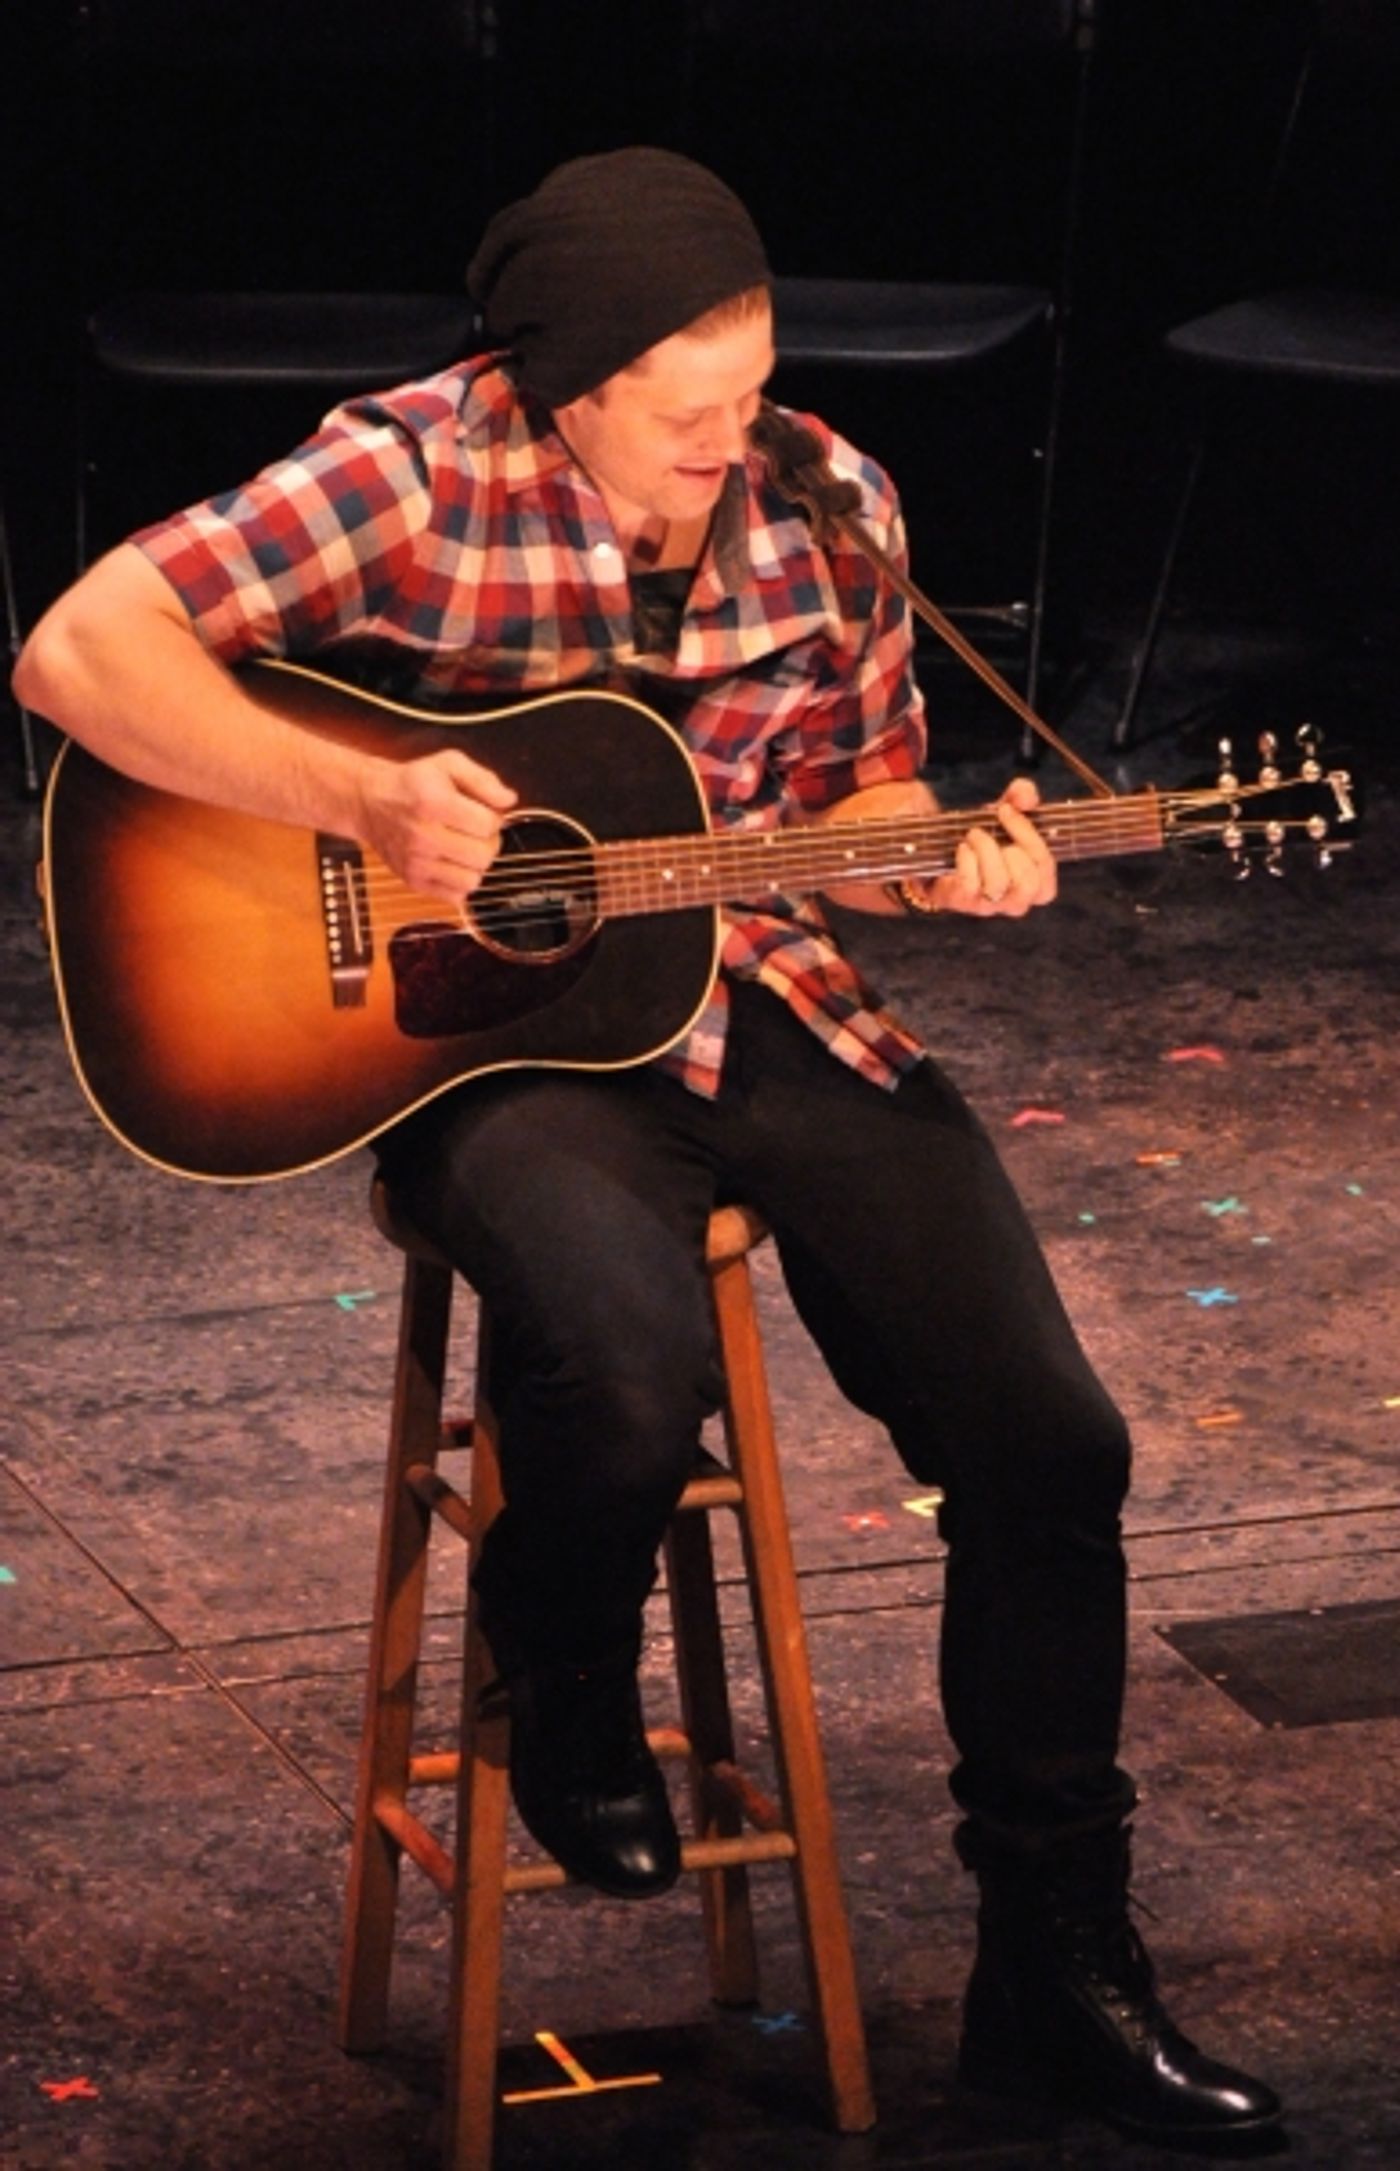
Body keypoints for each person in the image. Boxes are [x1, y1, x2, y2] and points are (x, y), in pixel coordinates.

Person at [15, 147, 1281, 2146]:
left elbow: (850, 800)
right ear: (562, 384)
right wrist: (358, 802)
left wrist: (941, 865)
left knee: (1051, 1441)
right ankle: (562, 1676)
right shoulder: (413, 473)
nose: (731, 442)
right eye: (688, 416)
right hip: (485, 1051)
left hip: (757, 990)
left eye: (749, 395)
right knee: (615, 1379)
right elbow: (78, 651)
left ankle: (1059, 1957)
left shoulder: (827, 497)